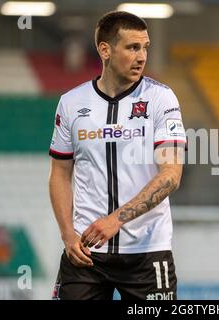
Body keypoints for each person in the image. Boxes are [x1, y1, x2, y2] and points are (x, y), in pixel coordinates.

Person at [48, 11, 186, 300]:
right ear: (105, 50)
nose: (142, 56)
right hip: (85, 255)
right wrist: (67, 236)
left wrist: (116, 220)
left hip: (147, 254)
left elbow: (171, 176)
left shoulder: (161, 99)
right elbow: (60, 173)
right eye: (132, 47)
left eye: (145, 47)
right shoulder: (71, 103)